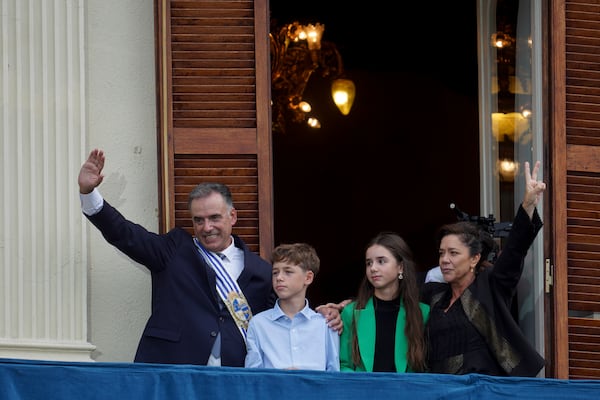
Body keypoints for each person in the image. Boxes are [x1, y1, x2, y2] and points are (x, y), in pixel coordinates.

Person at [78, 148, 343, 367]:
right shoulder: (174, 249)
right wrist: (90, 195)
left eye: (215, 218)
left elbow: (283, 318)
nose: (207, 227)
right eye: (199, 220)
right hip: (173, 370)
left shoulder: (263, 272)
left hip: (232, 377)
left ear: (233, 217)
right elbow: (126, 235)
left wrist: (329, 313)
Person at [421, 160, 546, 377]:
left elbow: (514, 251)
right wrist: (346, 308)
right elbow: (392, 292)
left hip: (485, 392)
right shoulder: (434, 294)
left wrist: (527, 206)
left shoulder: (491, 285)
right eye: (441, 253)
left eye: (453, 253)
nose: (444, 260)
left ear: (474, 259)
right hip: (441, 391)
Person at [339, 232, 430, 372]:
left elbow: (428, 367)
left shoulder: (423, 313)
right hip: (361, 391)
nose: (373, 268)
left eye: (381, 261)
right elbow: (343, 364)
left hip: (407, 392)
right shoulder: (350, 312)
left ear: (400, 267)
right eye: (369, 263)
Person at [244, 243, 340, 371]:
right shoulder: (258, 324)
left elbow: (334, 373)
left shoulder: (325, 324)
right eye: (275, 273)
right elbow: (252, 376)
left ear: (308, 277)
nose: (279, 278)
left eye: (288, 272)